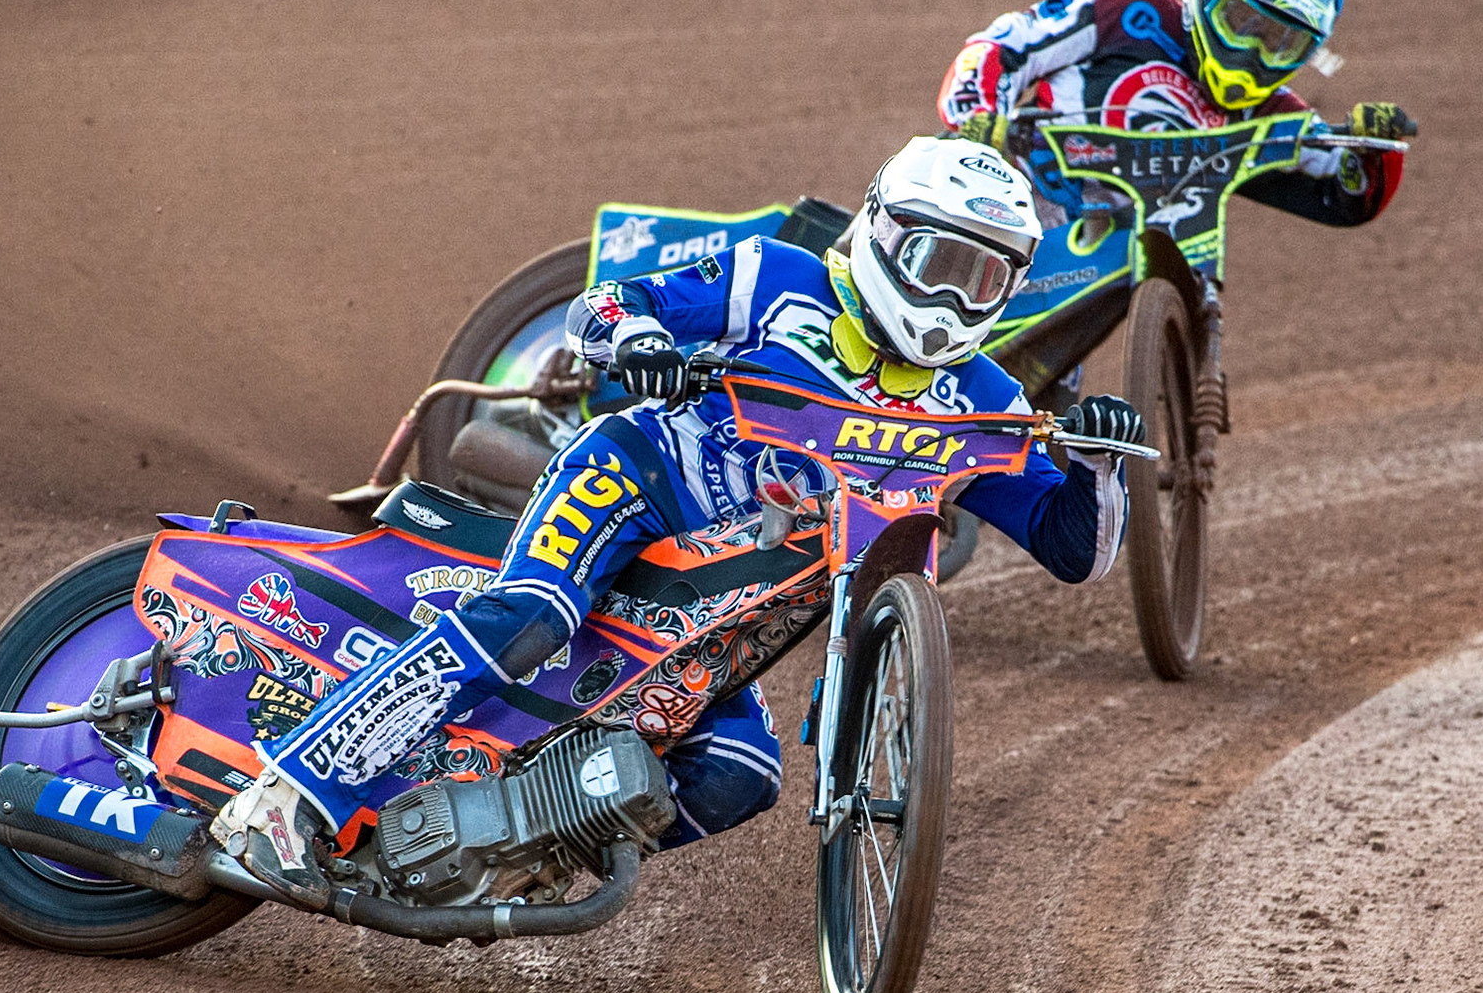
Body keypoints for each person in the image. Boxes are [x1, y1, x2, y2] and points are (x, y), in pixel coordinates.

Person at [209, 137, 1145, 905]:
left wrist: (1098, 466)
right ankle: (288, 794)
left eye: (982, 280)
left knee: (742, 769)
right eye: (934, 262)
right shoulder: (777, 280)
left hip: (725, 595)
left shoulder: (979, 396)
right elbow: (608, 302)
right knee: (529, 615)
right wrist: (644, 340)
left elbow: (1071, 548)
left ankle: (527, 850)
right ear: (881, 232)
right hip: (635, 481)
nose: (949, 298)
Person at [939, 0, 1416, 230]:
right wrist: (975, 117)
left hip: (1109, 252)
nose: (1250, 55)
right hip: (1005, 196)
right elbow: (1001, 47)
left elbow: (1347, 191)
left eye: (1281, 44)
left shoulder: (1273, 116)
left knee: (1053, 383)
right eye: (1241, 22)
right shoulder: (1122, 7)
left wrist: (1371, 153)